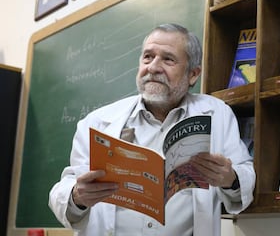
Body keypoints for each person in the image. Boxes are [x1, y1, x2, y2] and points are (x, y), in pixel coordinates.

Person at [49, 23, 256, 236]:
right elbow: (62, 194)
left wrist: (229, 178)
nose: (153, 67)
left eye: (168, 59)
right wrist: (76, 196)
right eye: (148, 57)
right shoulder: (98, 122)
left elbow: (245, 174)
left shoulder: (217, 114)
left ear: (193, 74)